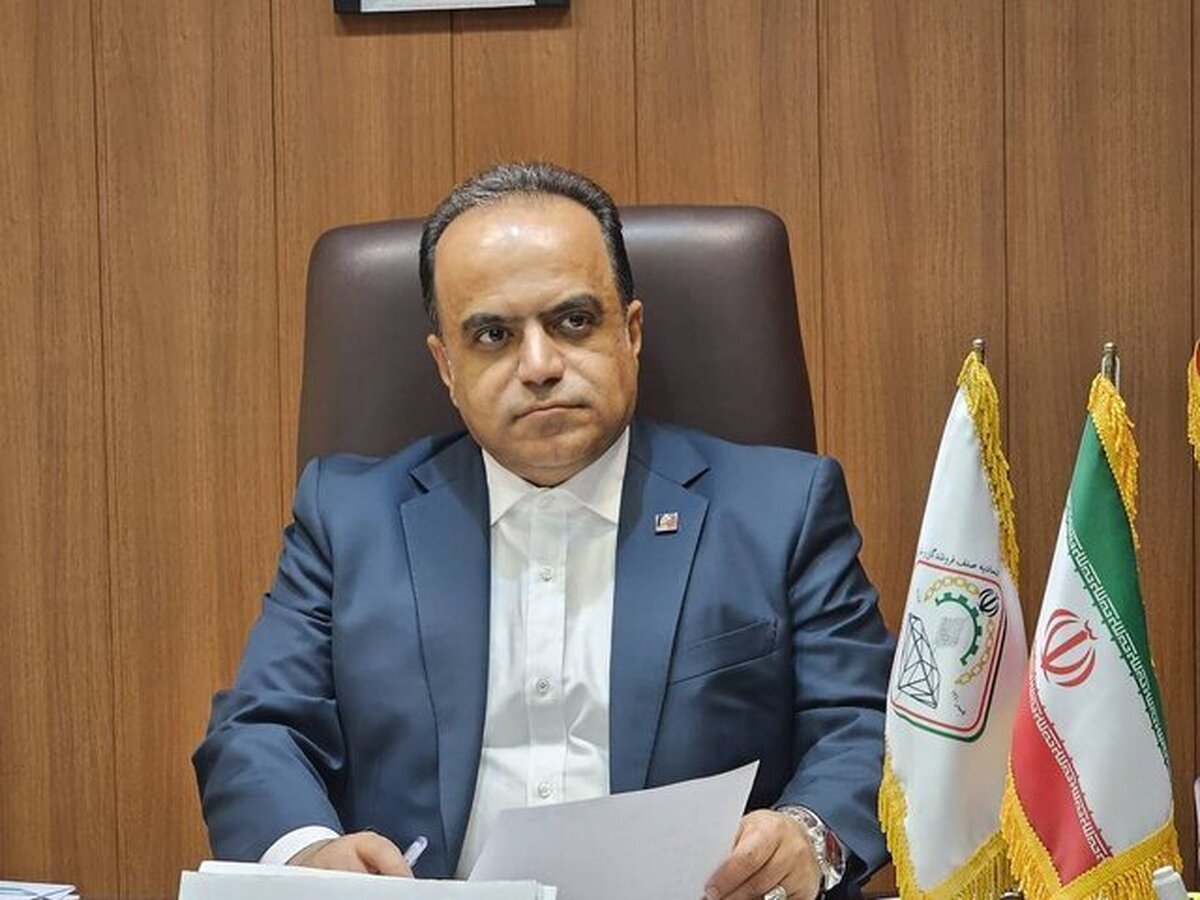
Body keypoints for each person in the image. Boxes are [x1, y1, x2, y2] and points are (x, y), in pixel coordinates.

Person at [194, 162, 895, 900]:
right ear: (446, 367)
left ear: (630, 332)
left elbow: (864, 722)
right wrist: (311, 855)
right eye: (493, 335)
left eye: (573, 322)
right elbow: (259, 732)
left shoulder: (780, 510)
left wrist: (807, 837)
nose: (539, 366)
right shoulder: (348, 518)